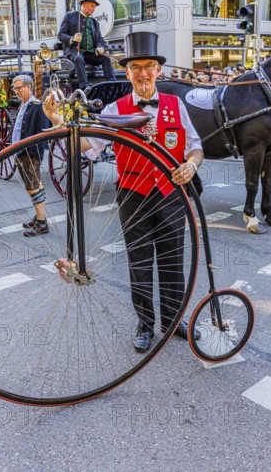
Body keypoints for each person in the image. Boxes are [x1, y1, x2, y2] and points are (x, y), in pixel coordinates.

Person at [44, 32, 203, 352]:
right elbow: (89, 146)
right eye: (135, 67)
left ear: (158, 70)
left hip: (172, 193)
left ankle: (173, 320)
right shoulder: (117, 110)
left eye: (148, 66)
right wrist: (60, 122)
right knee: (140, 261)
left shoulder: (176, 105)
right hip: (133, 194)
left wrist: (191, 165)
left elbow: (196, 148)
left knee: (173, 260)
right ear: (127, 72)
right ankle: (145, 324)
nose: (143, 73)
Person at [11, 75, 50, 237]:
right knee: (36, 185)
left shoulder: (36, 106)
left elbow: (42, 133)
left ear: (29, 87)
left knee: (32, 187)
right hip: (21, 151)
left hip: (29, 153)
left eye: (20, 87)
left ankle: (42, 223)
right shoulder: (24, 104)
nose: (17, 91)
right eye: (15, 88)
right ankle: (40, 216)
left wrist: (32, 153)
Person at [57, 0, 116, 93]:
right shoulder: (69, 17)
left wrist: (100, 46)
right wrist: (72, 38)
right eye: (92, 6)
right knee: (79, 58)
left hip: (91, 54)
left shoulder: (94, 22)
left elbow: (100, 39)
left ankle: (112, 84)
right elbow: (60, 35)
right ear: (84, 5)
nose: (94, 9)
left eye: (94, 7)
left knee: (106, 58)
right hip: (76, 52)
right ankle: (84, 86)